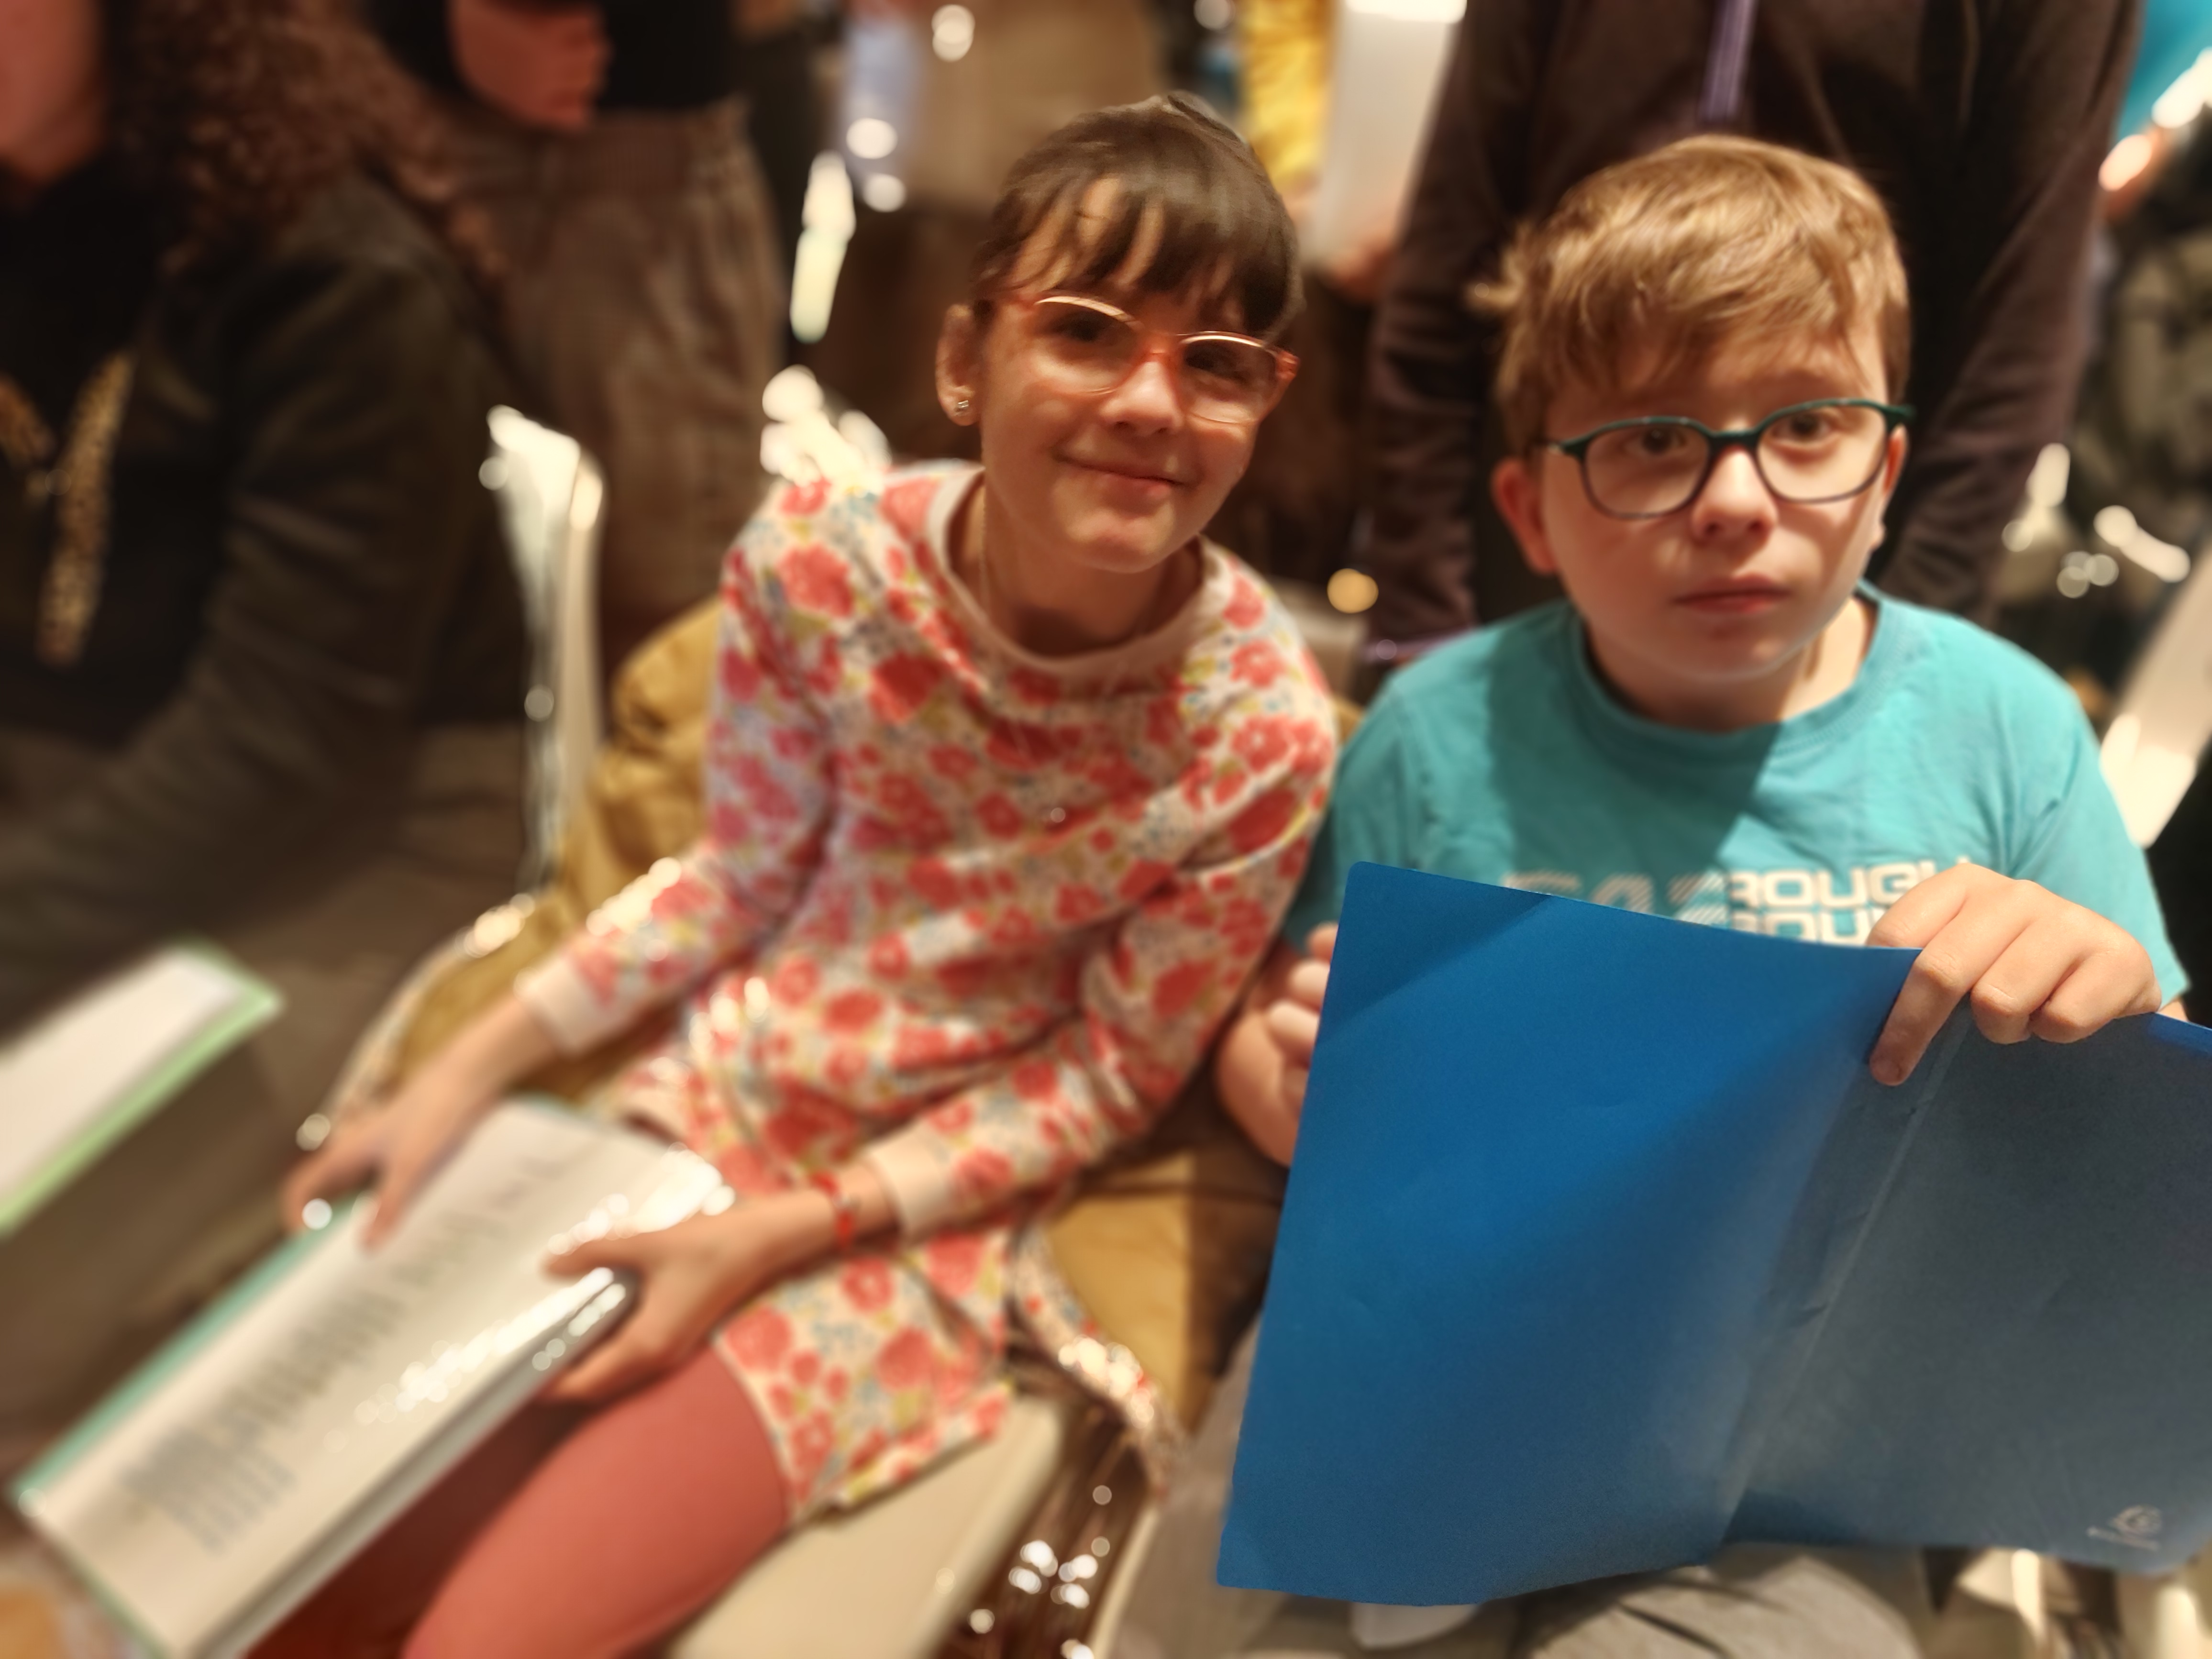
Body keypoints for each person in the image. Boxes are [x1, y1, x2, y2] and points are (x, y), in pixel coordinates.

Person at [267, 93, 1337, 1658]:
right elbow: (730, 877)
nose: (1148, 401)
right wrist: (453, 1078)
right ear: (966, 356)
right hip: (701, 1112)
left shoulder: (1262, 728)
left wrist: (771, 1237)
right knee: (282, 1560)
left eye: (1216, 363)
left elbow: (1109, 1074)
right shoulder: (821, 566)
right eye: (1085, 332)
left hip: (908, 1231)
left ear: (1267, 400)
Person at [1125, 135, 2188, 1659]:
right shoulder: (1437, 737)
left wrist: (2107, 998)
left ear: (1888, 471)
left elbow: (2137, 1158)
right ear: (1530, 511)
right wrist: (1283, 1079)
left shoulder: (2001, 727)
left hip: (1801, 1466)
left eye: (1807, 426)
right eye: (1647, 441)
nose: (1736, 499)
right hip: (1436, 1369)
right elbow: (1285, 1037)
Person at [0, 0, 525, 1444]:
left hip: (355, 850)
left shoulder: (338, 278)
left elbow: (284, 741)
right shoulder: (30, 206)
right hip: (93, 799)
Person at [1365, 0, 2143, 649]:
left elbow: (2019, 330)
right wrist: (1420, 619)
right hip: (1541, 550)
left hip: (1842, 581)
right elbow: (1453, 259)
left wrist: (1902, 670)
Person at [370, 0, 788, 669]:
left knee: (658, 641)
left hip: (647, 172)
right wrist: (430, 23)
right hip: (422, 137)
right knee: (399, 613)